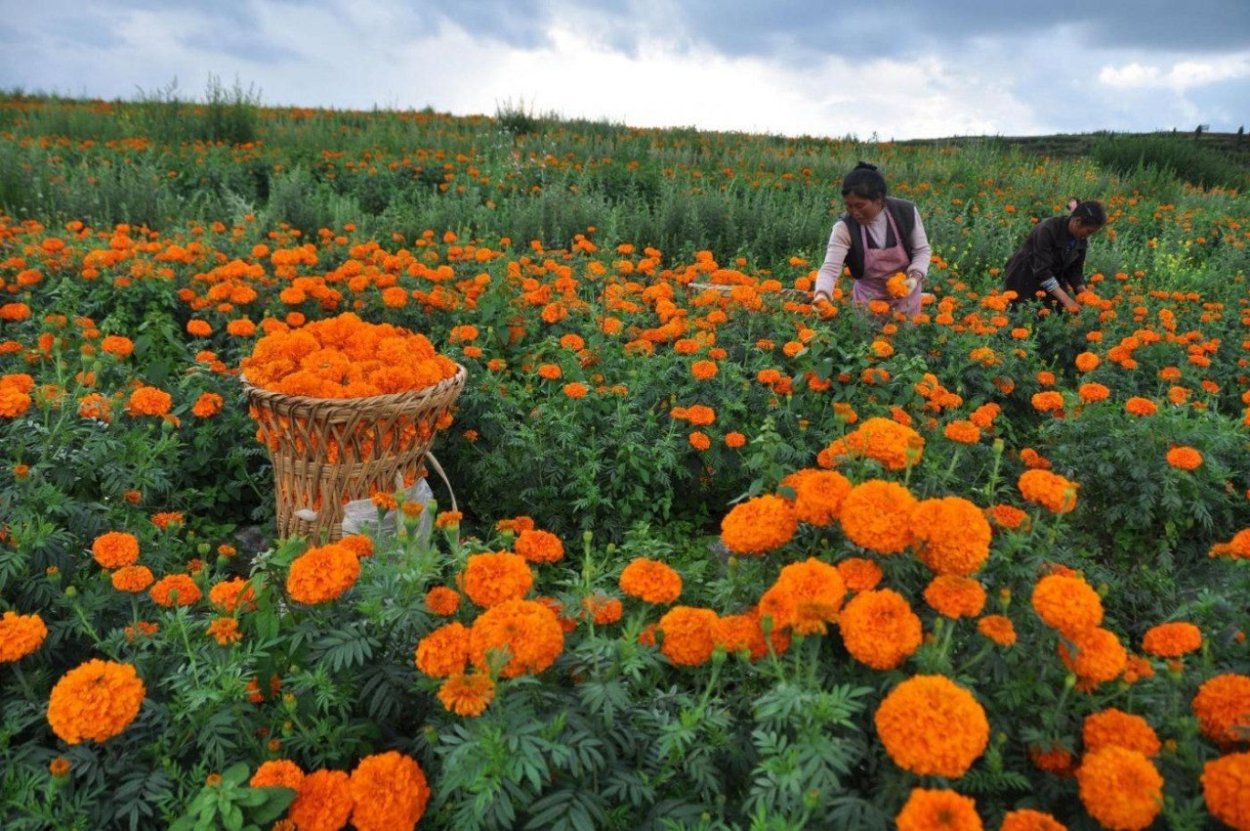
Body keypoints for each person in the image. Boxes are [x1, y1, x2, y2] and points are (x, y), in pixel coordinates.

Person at [811, 162, 931, 316]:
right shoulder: (844, 228)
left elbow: (922, 250)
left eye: (860, 206)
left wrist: (914, 278)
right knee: (865, 339)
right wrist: (822, 295)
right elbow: (830, 269)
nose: (854, 212)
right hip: (867, 302)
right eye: (849, 206)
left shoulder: (905, 213)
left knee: (907, 339)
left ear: (879, 200)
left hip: (906, 299)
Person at [1002, 198, 1106, 312]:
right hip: (1025, 276)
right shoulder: (1047, 229)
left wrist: (1086, 295)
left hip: (1052, 280)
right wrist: (1067, 300)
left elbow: (1075, 271)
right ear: (1078, 221)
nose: (1088, 236)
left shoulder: (1080, 239)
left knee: (1052, 315)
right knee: (1021, 312)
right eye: (1088, 231)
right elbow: (1042, 271)